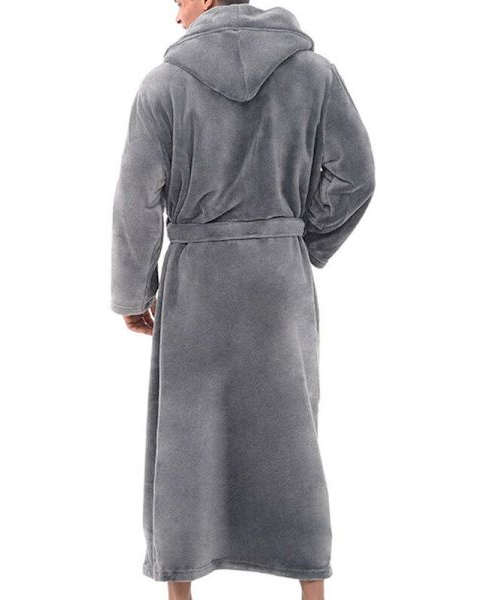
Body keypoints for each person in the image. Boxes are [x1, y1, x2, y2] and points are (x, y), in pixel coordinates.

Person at [110, 1, 375, 598]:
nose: (174, 12)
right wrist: (304, 239)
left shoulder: (164, 84)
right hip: (279, 281)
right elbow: (356, 175)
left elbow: (136, 197)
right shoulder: (314, 74)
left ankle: (182, 586)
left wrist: (133, 290)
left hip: (198, 283)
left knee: (187, 438)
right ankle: (311, 588)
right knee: (292, 434)